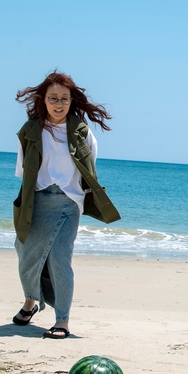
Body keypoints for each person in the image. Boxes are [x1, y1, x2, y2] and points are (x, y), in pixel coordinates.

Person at [10, 71, 120, 339]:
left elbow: (90, 169)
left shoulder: (83, 133)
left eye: (64, 99)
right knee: (26, 254)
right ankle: (30, 301)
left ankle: (63, 320)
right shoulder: (29, 131)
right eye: (53, 98)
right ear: (43, 100)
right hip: (36, 201)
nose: (59, 104)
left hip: (69, 202)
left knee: (59, 259)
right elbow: (23, 172)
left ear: (72, 101)